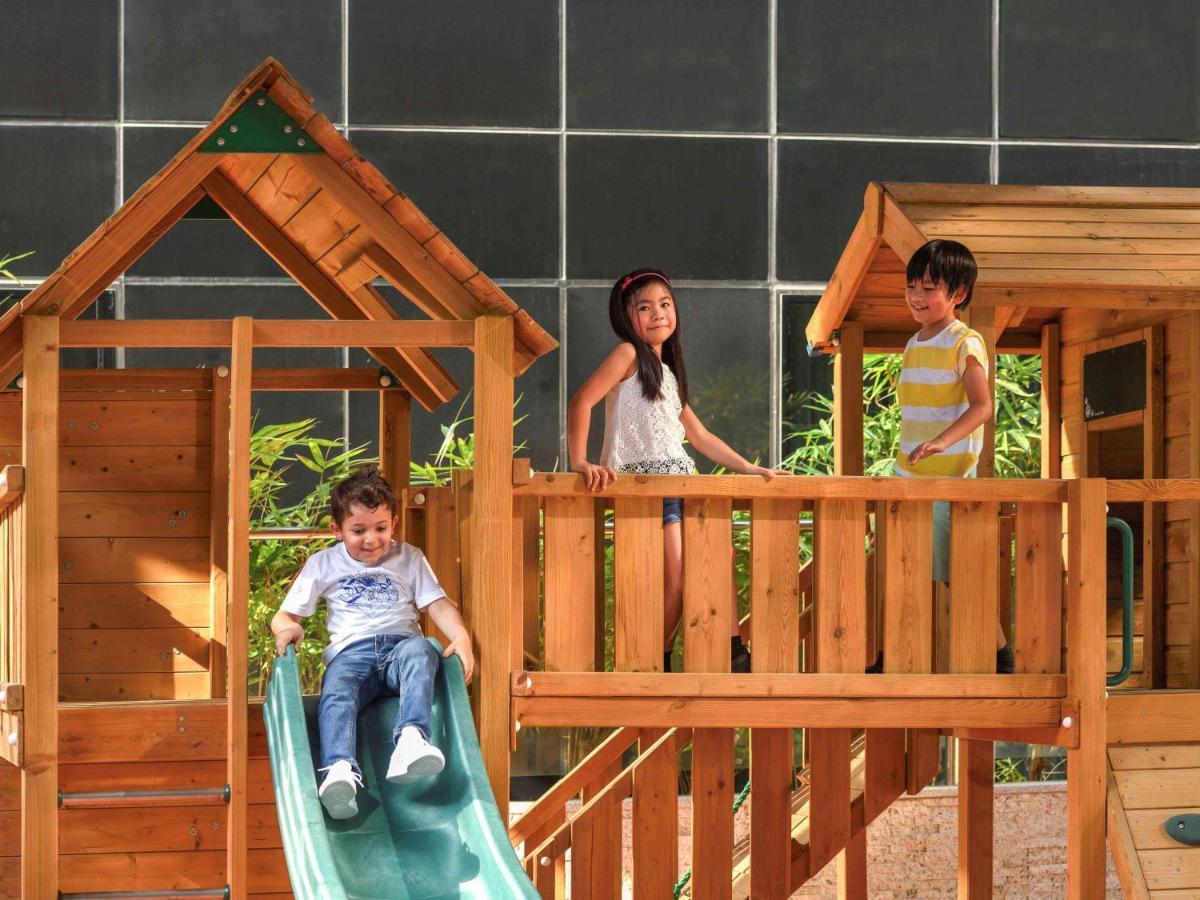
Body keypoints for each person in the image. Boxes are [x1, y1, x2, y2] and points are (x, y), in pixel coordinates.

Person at [568, 268, 786, 673]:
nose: (658, 314)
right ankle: (659, 657)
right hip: (649, 487)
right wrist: (580, 461)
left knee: (718, 556)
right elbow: (582, 401)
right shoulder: (628, 355)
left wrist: (750, 467)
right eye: (645, 307)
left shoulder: (666, 373)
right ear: (626, 316)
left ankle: (733, 648)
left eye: (665, 305)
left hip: (682, 483)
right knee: (680, 579)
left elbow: (700, 436)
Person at [271, 466, 475, 819]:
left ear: (394, 523)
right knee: (336, 690)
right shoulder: (324, 564)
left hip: (400, 648)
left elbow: (436, 605)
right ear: (337, 530)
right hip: (352, 652)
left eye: (381, 528)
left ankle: (411, 739)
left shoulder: (409, 558)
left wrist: (461, 636)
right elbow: (284, 616)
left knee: (422, 650)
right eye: (358, 531)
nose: (371, 539)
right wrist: (287, 628)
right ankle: (338, 771)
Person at [893, 239, 1014, 673]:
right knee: (900, 566)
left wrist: (944, 441)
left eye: (929, 288)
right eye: (911, 286)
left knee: (955, 574)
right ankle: (894, 657)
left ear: (958, 294)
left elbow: (983, 405)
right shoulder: (912, 343)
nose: (916, 297)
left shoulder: (966, 341)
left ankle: (1001, 655)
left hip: (949, 481)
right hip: (908, 475)